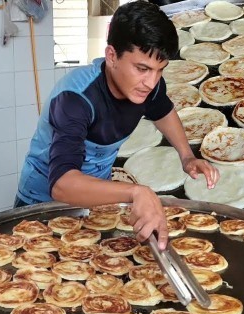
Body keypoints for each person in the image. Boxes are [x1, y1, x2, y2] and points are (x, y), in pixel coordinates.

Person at [15, 1, 219, 249]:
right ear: (112, 56)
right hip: (42, 206)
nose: (151, 82)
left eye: (159, 70)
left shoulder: (147, 87)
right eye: (142, 68)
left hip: (98, 202)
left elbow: (163, 111)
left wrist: (187, 156)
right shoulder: (76, 100)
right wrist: (135, 192)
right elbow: (61, 185)